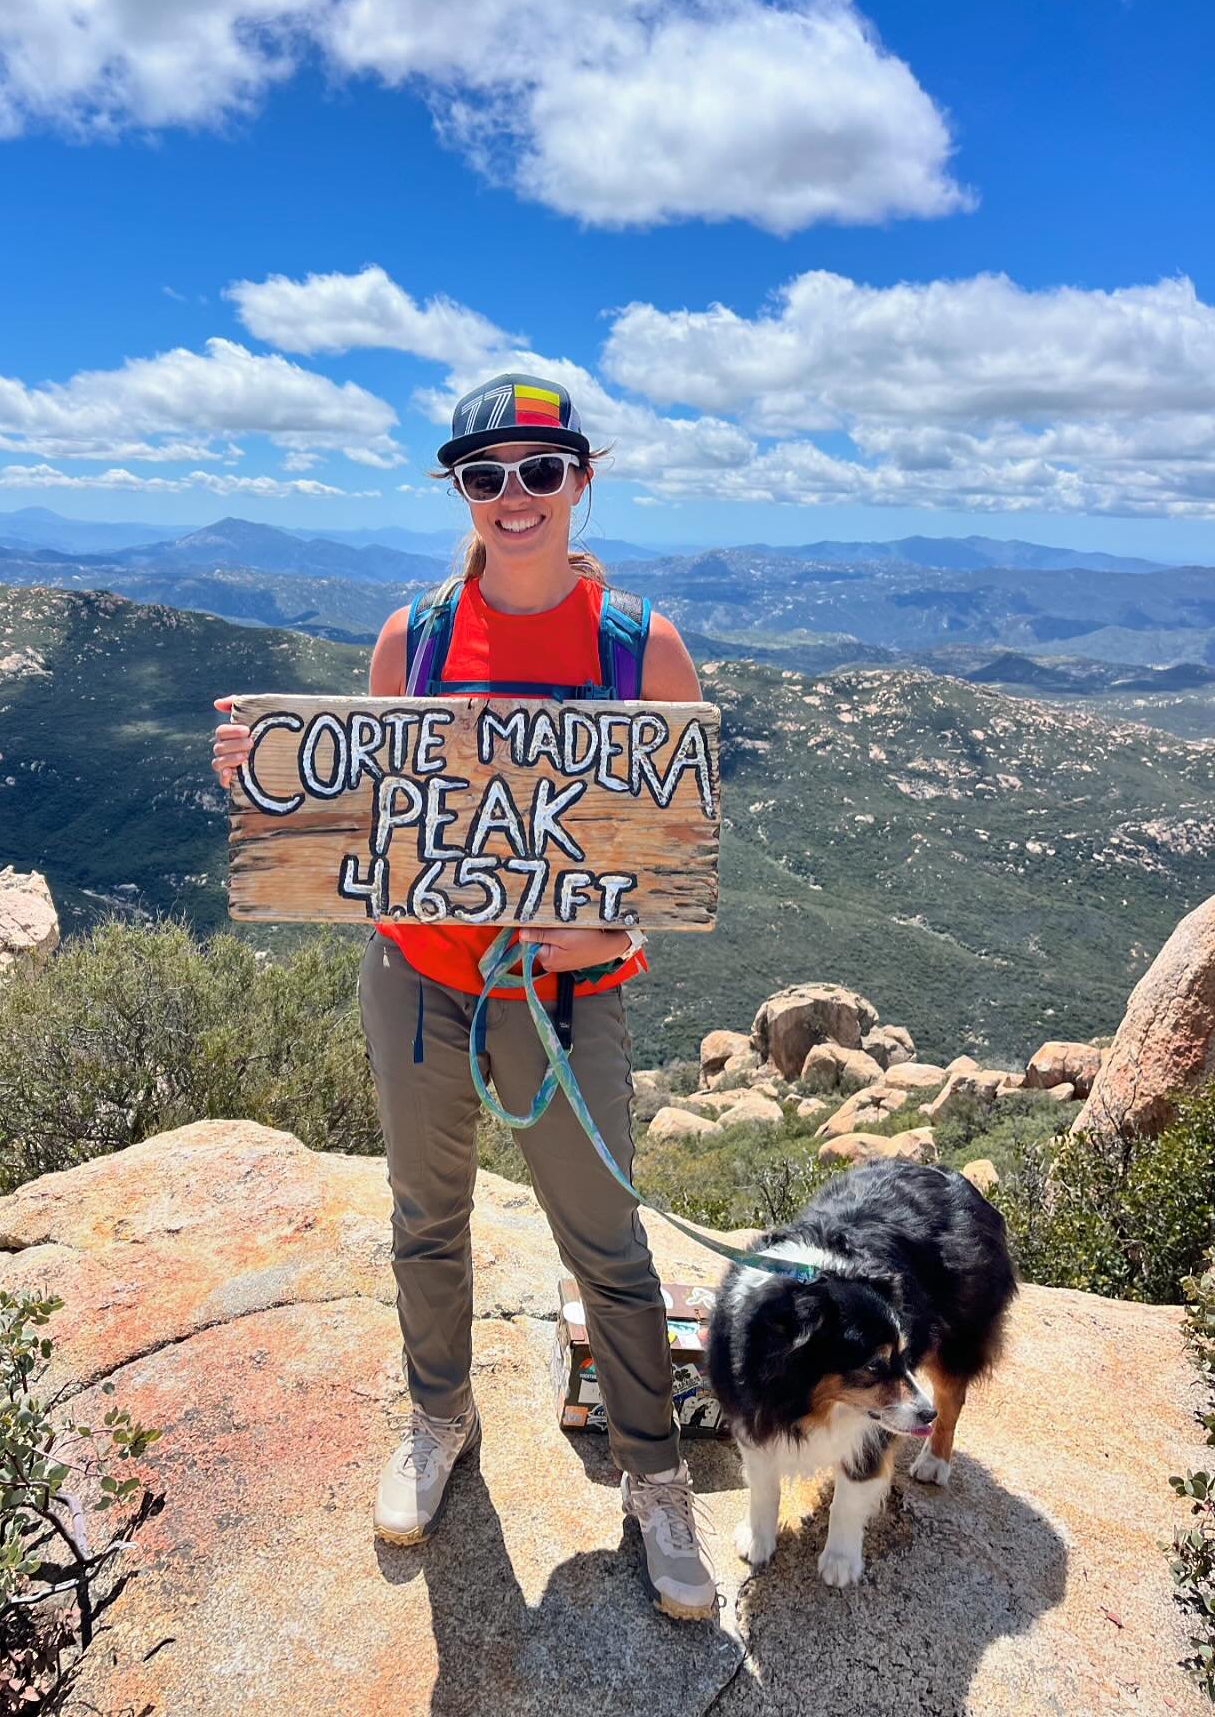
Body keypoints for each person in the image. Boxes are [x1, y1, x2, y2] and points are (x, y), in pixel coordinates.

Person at [211, 373, 719, 1621]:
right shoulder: (415, 639)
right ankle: (439, 1421)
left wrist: (586, 923)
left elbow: (673, 849)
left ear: (581, 481)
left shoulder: (638, 646)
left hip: (569, 996)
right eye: (485, 476)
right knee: (423, 1215)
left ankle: (655, 1479)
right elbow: (373, 816)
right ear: (461, 492)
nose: (513, 497)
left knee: (605, 1237)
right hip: (420, 974)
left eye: (539, 472)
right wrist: (271, 774)